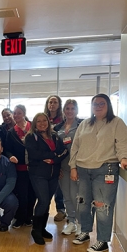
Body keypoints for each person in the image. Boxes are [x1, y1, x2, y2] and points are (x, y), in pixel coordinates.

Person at [70, 93, 127, 252]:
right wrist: (73, 167)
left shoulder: (116, 123)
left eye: (101, 104)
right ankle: (85, 231)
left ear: (108, 105)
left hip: (105, 169)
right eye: (95, 104)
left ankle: (103, 241)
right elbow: (75, 147)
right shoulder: (84, 124)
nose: (98, 106)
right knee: (83, 203)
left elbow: (122, 144)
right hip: (83, 168)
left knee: (102, 205)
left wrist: (124, 158)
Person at [25, 113, 68, 245]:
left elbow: (64, 151)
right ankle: (35, 230)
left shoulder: (55, 136)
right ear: (34, 123)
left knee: (48, 201)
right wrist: (54, 154)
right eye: (39, 121)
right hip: (38, 174)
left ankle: (42, 228)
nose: (42, 123)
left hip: (53, 174)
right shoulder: (31, 137)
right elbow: (35, 154)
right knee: (43, 201)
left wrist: (54, 158)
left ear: (48, 122)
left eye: (44, 120)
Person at [54, 99, 83, 235]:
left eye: (73, 108)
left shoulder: (82, 125)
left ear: (76, 110)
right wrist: (57, 167)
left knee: (76, 196)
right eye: (67, 108)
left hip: (77, 167)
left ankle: (80, 223)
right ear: (64, 111)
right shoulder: (58, 128)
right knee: (66, 196)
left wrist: (76, 167)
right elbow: (55, 149)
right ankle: (71, 222)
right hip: (63, 167)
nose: (70, 111)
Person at [5, 104, 36, 228]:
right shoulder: (11, 132)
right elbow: (7, 149)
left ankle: (29, 216)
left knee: (32, 194)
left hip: (34, 168)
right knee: (21, 194)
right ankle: (20, 217)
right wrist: (10, 156)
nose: (16, 115)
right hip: (20, 169)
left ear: (24, 113)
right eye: (15, 113)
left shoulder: (33, 127)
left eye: (19, 113)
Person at [44, 95, 67, 221]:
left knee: (61, 184)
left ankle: (61, 209)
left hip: (61, 156)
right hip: (46, 157)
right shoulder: (43, 119)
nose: (52, 104)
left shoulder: (63, 120)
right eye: (50, 102)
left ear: (59, 105)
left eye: (55, 102)